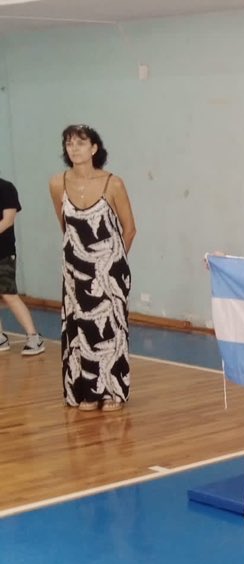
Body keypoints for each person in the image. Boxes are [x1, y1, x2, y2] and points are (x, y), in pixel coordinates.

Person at [48, 125, 136, 411]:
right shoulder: (57, 183)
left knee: (109, 330)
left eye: (81, 143)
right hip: (74, 272)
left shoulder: (114, 184)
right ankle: (85, 390)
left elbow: (130, 228)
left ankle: (112, 391)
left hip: (109, 271)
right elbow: (66, 226)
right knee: (78, 330)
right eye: (69, 144)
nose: (74, 148)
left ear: (94, 148)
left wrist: (113, 265)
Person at [0, 176, 45, 356]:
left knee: (9, 294)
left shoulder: (6, 188)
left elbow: (8, 220)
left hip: (3, 253)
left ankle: (34, 337)